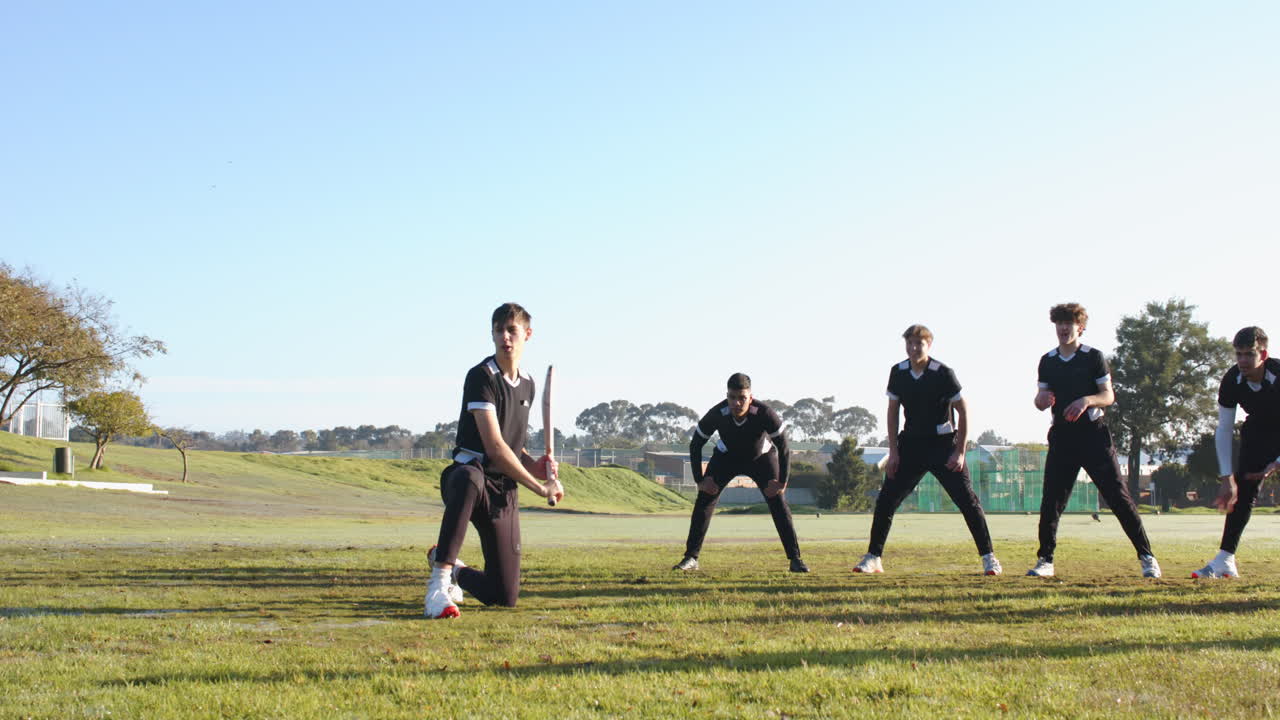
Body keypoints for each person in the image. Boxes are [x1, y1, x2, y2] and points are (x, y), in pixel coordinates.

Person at [424, 302, 564, 619]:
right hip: (468, 479)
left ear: (527, 334)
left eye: (512, 330)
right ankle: (438, 584)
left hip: (502, 491)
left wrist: (538, 468)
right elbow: (496, 449)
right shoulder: (481, 377)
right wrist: (539, 488)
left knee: (504, 596)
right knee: (469, 477)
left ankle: (453, 569)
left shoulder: (527, 383)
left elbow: (516, 451)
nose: (505, 337)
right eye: (499, 330)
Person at [853, 325, 1002, 575]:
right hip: (911, 446)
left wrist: (960, 451)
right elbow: (893, 413)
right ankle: (873, 557)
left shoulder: (943, 373)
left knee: (967, 501)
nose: (913, 349)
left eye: (919, 344)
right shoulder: (898, 372)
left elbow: (963, 411)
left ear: (929, 345)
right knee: (886, 500)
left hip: (943, 447)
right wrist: (894, 452)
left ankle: (989, 558)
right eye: (909, 344)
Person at [1027, 303, 1160, 578]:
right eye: (1059, 323)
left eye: (1069, 323)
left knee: (1118, 496)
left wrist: (1086, 400)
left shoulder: (1093, 357)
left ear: (1080, 327)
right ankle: (1045, 561)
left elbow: (1108, 395)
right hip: (1062, 437)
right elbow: (1041, 400)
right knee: (1051, 500)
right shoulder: (1048, 361)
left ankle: (1147, 557)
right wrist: (1041, 401)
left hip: (1092, 435)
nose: (1064, 328)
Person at [673, 373, 808, 573]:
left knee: (778, 501)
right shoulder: (718, 412)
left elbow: (784, 447)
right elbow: (696, 444)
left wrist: (782, 482)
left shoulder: (764, 413)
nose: (737, 403)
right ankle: (691, 557)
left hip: (760, 458)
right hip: (727, 457)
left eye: (742, 398)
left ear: (750, 397)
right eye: (732, 397)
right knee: (704, 499)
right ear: (727, 396)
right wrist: (699, 480)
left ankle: (795, 559)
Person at [1192, 326, 1280, 579]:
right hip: (1259, 432)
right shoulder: (1232, 379)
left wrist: (1276, 462)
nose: (1242, 360)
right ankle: (1225, 560)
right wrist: (1226, 478)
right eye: (1238, 354)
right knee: (1242, 493)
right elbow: (1224, 429)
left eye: (1248, 354)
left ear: (1263, 355)